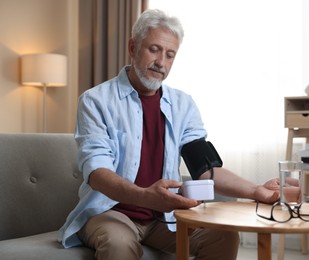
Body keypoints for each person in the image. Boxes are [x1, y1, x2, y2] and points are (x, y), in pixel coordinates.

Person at [58, 9, 289, 260]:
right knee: (118, 244)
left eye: (170, 55)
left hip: (164, 218)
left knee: (224, 235)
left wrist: (256, 190)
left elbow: (205, 168)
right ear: (133, 47)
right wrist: (146, 197)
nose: (161, 62)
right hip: (110, 212)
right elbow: (97, 174)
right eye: (154, 49)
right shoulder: (96, 101)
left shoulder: (183, 105)